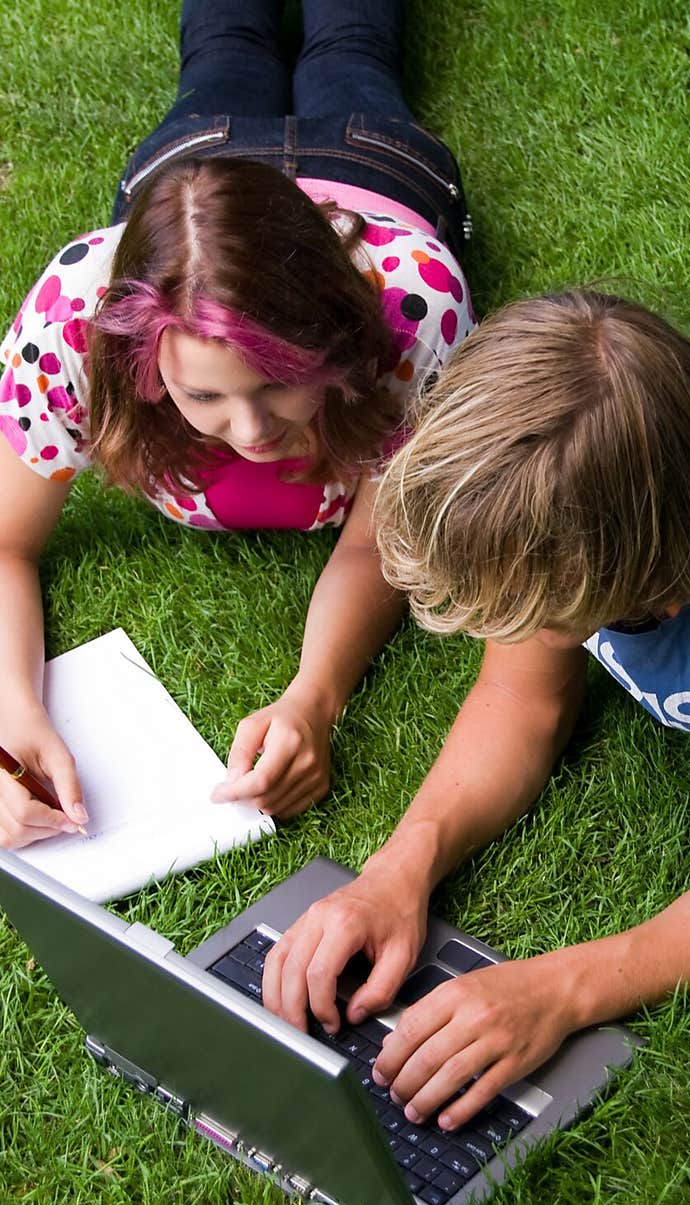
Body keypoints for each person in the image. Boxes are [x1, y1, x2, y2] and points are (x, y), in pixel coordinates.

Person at [262, 288, 690, 1135]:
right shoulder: (586, 433)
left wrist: (562, 986)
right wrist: (396, 871)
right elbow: (519, 696)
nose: (517, 637)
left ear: (660, 589)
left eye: (542, 615)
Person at [0, 0, 474, 849]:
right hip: (189, 173)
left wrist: (313, 697)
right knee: (224, 42)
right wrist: (11, 711)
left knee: (351, 45)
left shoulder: (415, 309)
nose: (252, 430)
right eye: (204, 397)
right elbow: (3, 540)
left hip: (373, 169)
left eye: (280, 383)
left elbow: (374, 543)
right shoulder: (71, 328)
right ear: (141, 361)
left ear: (332, 337)